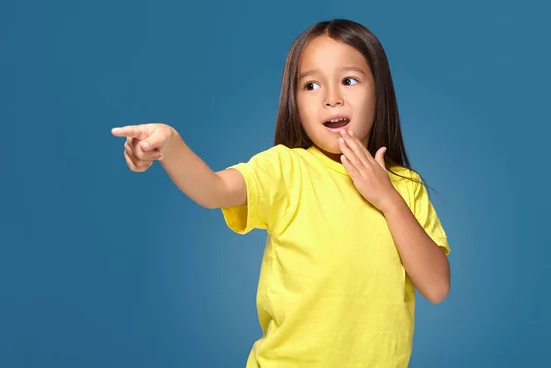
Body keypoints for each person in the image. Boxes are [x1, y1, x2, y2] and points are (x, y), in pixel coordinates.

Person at [111, 19, 451, 368]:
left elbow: (437, 287)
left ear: (379, 91)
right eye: (312, 85)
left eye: (349, 81)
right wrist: (171, 146)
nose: (332, 98)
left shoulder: (404, 186)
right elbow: (214, 189)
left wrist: (388, 200)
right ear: (295, 101)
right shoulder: (287, 170)